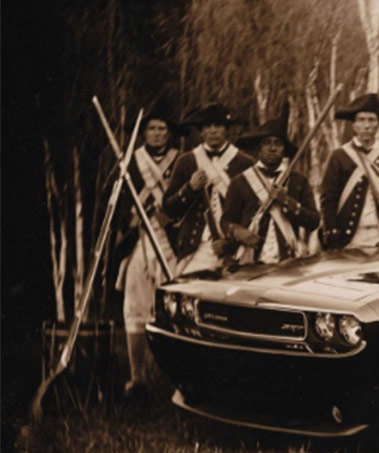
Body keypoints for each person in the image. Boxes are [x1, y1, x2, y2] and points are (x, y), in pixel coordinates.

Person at [112, 100, 181, 396]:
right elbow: (117, 202)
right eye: (151, 128)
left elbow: (187, 201)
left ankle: (178, 377)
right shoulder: (130, 162)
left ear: (169, 133)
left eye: (161, 128)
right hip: (142, 238)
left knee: (176, 308)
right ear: (144, 133)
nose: (156, 133)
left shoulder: (182, 161)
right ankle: (137, 377)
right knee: (135, 303)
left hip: (172, 243)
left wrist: (173, 216)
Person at [163, 103, 253, 273]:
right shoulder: (186, 161)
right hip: (197, 248)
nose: (213, 131)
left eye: (218, 125)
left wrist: (231, 242)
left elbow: (252, 212)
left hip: (235, 250)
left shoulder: (244, 162)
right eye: (207, 126)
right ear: (201, 131)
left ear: (226, 130)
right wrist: (189, 188)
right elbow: (169, 209)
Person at [220, 115, 320, 264]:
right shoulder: (240, 182)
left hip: (289, 262)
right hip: (250, 261)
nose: (272, 148)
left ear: (284, 149)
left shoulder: (298, 180)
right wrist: (239, 232)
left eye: (278, 144)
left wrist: (287, 201)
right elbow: (226, 221)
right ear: (258, 149)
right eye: (267, 143)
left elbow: (314, 221)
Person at [319, 93, 379, 249]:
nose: (366, 125)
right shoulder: (339, 156)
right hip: (348, 239)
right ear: (353, 125)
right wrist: (331, 232)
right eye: (361, 120)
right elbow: (328, 199)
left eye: (371, 120)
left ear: (378, 124)